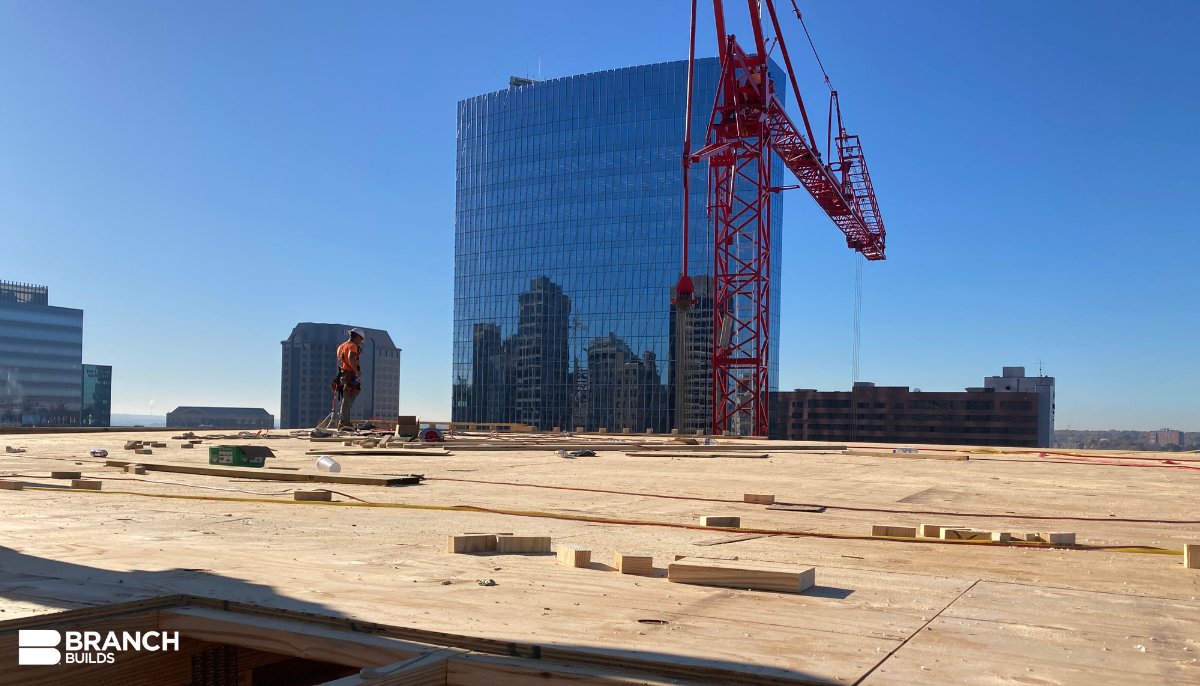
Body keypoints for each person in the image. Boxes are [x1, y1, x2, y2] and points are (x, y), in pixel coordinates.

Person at [333, 328, 365, 430]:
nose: (361, 342)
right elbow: (351, 358)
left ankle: (345, 421)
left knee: (346, 400)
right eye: (361, 339)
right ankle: (343, 423)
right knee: (348, 401)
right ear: (357, 337)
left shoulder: (341, 346)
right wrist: (356, 371)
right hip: (350, 376)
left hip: (343, 375)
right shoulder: (352, 346)